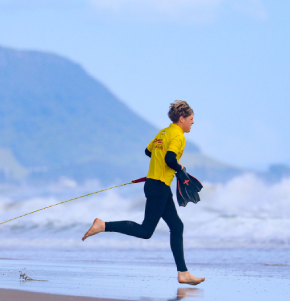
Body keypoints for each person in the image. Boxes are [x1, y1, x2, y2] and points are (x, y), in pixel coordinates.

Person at [82, 101, 205, 285]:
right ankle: (103, 225)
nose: (192, 122)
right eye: (191, 119)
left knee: (177, 226)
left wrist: (160, 166)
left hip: (155, 185)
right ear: (182, 119)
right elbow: (170, 158)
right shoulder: (178, 136)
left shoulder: (163, 132)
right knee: (146, 231)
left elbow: (149, 151)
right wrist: (179, 168)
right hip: (159, 187)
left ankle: (183, 273)